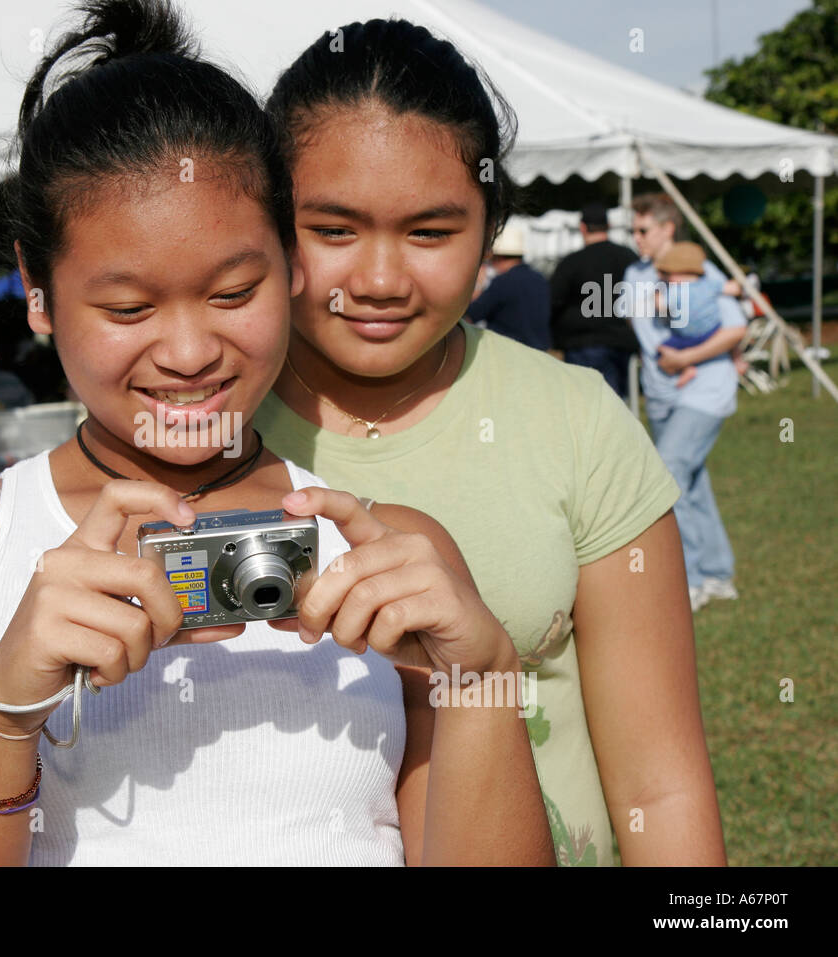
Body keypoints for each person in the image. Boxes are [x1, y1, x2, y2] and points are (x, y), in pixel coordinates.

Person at [0, 0, 553, 867]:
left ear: (292, 264)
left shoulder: (390, 555)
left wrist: (480, 672)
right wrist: (3, 707)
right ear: (36, 287)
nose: (187, 353)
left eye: (231, 293)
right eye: (128, 307)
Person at [256, 18, 725, 865]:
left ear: (490, 228)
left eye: (431, 232)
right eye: (332, 230)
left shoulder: (577, 420)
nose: (380, 279)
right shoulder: (196, 430)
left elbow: (662, 784)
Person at [624, 194, 745, 612]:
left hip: (702, 390)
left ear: (667, 229)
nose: (636, 238)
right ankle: (718, 573)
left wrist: (686, 359)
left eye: (643, 230)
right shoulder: (634, 273)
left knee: (670, 475)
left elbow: (735, 329)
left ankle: (689, 580)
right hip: (661, 395)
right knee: (692, 483)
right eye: (633, 230)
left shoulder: (699, 271)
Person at [549, 200, 639, 397]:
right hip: (622, 341)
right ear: (609, 226)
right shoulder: (629, 257)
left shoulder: (572, 262)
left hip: (583, 342)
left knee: (587, 403)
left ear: (582, 227)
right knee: (616, 402)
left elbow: (554, 299)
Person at [465, 225, 552, 349]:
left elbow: (471, 315)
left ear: (498, 257)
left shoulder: (502, 282)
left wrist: (478, 284)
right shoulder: (540, 279)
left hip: (510, 351)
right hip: (539, 352)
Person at [653, 242, 723, 388]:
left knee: (661, 351)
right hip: (713, 330)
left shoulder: (675, 291)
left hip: (686, 336)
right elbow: (730, 288)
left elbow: (660, 306)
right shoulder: (708, 283)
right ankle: (737, 359)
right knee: (731, 343)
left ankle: (686, 369)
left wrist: (656, 293)